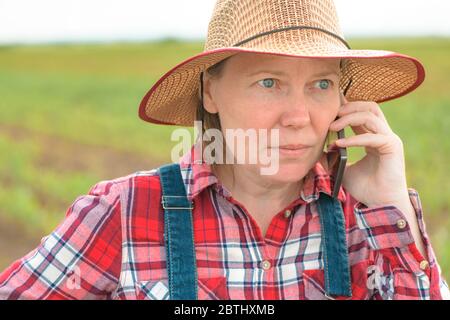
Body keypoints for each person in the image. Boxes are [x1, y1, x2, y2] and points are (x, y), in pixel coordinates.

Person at [0, 0, 449, 300]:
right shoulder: (125, 212)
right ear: (210, 92)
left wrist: (393, 207)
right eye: (268, 83)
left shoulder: (368, 222)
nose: (299, 115)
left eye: (321, 84)